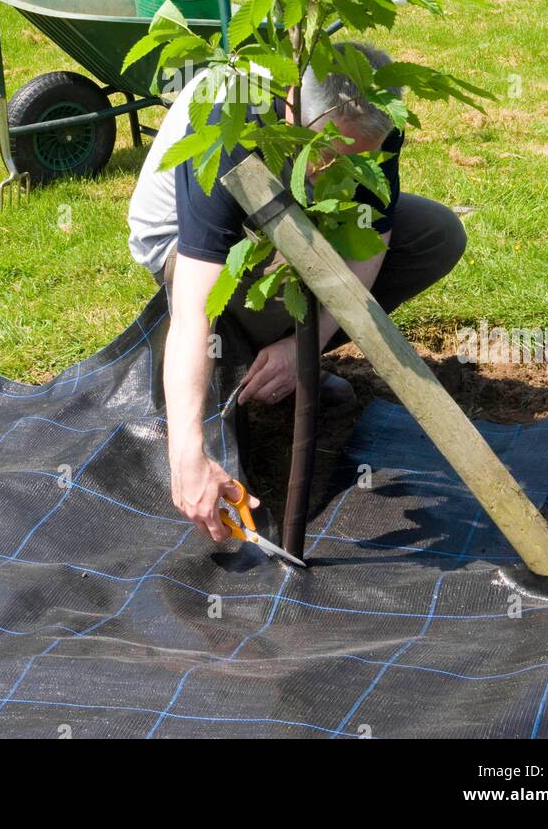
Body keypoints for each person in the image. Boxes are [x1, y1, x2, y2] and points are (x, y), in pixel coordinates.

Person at [127, 43, 467, 539]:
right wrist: (185, 454)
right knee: (233, 298)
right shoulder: (230, 127)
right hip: (187, 244)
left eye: (354, 159)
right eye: (327, 153)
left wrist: (305, 345)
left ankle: (281, 358)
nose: (335, 171)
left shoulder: (375, 113)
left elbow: (373, 240)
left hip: (290, 218)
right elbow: (195, 310)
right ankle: (226, 381)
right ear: (291, 110)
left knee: (437, 232)